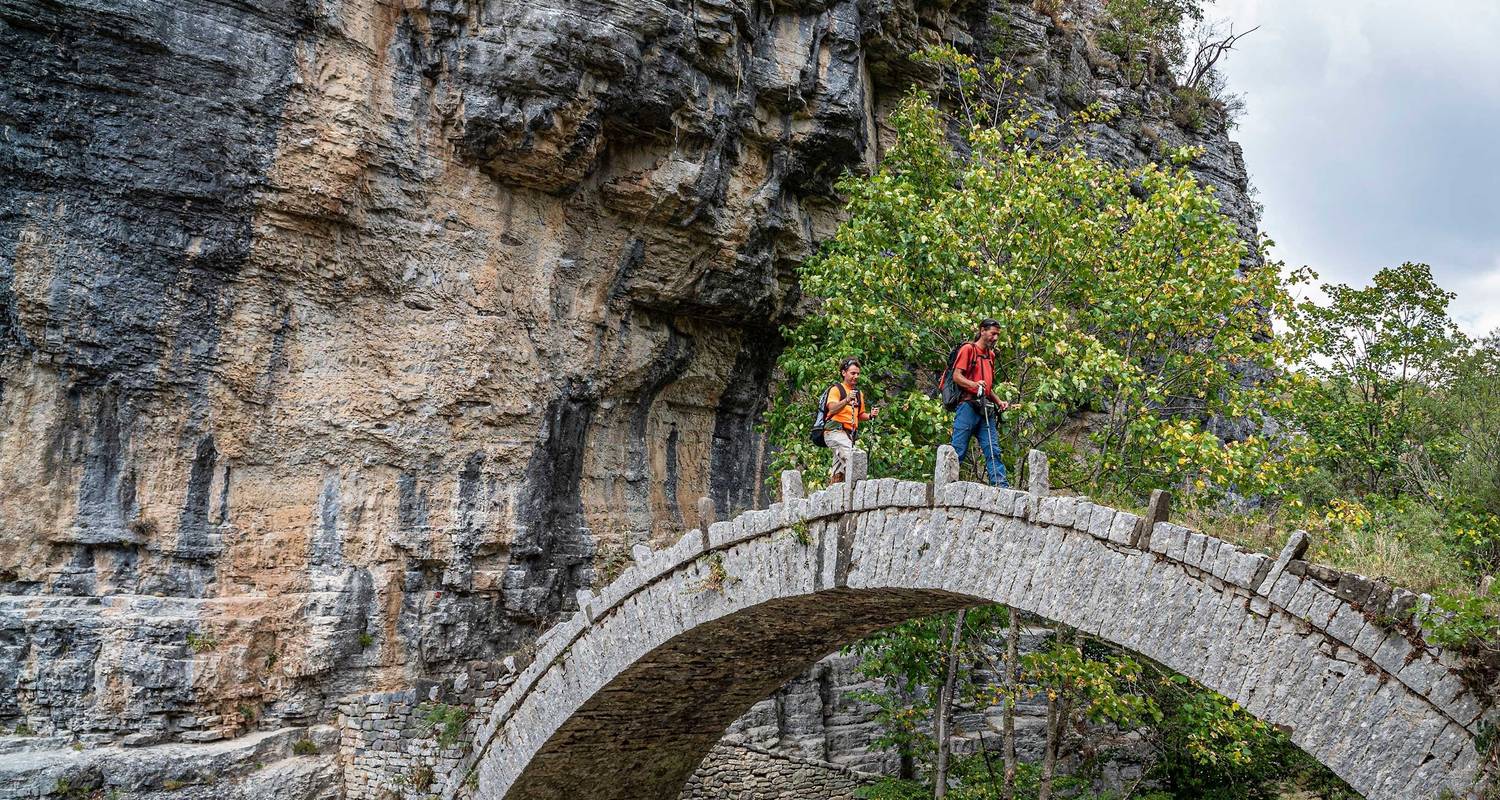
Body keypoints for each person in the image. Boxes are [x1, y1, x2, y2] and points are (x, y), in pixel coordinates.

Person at [949, 319, 1011, 487]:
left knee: (993, 449)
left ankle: (1001, 487)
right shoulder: (968, 350)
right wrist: (973, 385)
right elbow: (957, 376)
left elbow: (987, 386)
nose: (996, 337)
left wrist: (999, 401)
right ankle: (947, 484)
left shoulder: (990, 355)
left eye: (998, 334)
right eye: (993, 333)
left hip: (985, 409)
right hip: (967, 406)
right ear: (982, 331)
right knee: (957, 450)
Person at [824, 357, 879, 484]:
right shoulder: (836, 389)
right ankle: (858, 488)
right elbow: (831, 408)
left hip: (849, 435)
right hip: (834, 431)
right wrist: (847, 400)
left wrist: (870, 415)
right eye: (852, 373)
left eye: (858, 374)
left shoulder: (858, 394)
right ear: (844, 373)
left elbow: (859, 415)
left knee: (839, 471)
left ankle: (834, 493)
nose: (856, 376)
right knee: (852, 457)